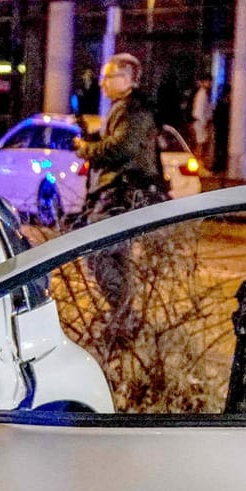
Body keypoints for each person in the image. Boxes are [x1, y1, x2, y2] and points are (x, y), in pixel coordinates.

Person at [71, 53, 167, 340]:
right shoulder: (124, 108)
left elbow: (121, 148)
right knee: (118, 257)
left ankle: (123, 316)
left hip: (123, 193)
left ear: (126, 79)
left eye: (107, 76)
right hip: (120, 192)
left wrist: (87, 149)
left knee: (98, 253)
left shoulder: (135, 110)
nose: (102, 83)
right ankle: (123, 322)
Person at [189, 73, 215, 169]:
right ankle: (198, 166)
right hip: (200, 122)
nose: (210, 84)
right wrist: (205, 123)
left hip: (200, 122)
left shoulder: (203, 93)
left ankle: (199, 165)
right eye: (209, 81)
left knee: (200, 145)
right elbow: (200, 111)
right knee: (200, 145)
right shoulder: (202, 94)